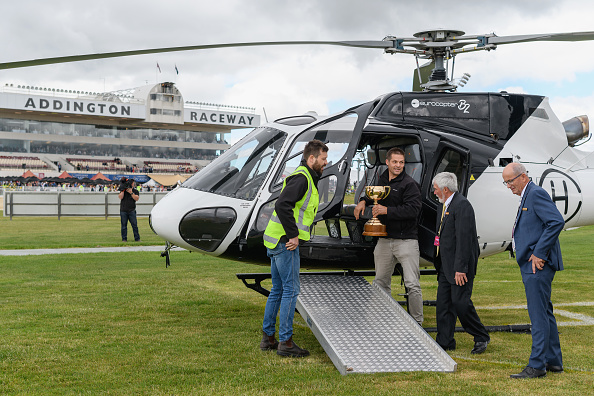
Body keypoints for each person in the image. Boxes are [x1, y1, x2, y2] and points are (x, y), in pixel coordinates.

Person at [261, 140, 329, 358]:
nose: (325, 163)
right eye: (323, 159)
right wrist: (293, 235)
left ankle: (268, 337)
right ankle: (286, 342)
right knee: (291, 291)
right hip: (285, 242)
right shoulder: (302, 178)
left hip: (275, 240)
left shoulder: (303, 176)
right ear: (312, 158)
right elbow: (282, 205)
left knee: (278, 290)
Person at [502, 163, 564, 379]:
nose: (508, 186)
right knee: (545, 313)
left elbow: (556, 222)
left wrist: (539, 253)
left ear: (523, 177)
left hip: (537, 264)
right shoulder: (528, 194)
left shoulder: (535, 193)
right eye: (506, 182)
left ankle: (537, 365)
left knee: (538, 316)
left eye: (510, 181)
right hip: (533, 263)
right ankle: (554, 361)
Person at [353, 147, 423, 325]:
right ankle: (379, 322)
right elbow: (373, 195)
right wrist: (362, 201)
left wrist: (387, 210)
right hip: (384, 240)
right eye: (395, 162)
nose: (398, 165)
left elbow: (413, 210)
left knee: (412, 284)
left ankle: (417, 323)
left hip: (406, 241)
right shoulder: (382, 179)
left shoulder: (409, 184)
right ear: (388, 162)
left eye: (401, 162)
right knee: (380, 283)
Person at [432, 172, 490, 354]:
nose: (433, 192)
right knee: (443, 304)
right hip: (445, 265)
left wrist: (460, 269)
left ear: (445, 189)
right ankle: (445, 341)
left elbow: (465, 240)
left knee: (461, 303)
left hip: (459, 267)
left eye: (435, 189)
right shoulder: (445, 206)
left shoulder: (462, 205)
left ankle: (481, 336)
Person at [118, 177, 140, 242]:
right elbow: (120, 197)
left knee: (134, 225)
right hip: (123, 210)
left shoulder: (135, 191)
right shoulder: (123, 190)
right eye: (132, 183)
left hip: (132, 210)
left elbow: (136, 198)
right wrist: (123, 190)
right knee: (124, 226)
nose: (133, 184)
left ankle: (137, 238)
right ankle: (124, 239)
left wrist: (131, 192)